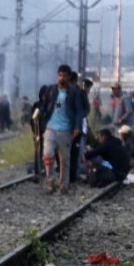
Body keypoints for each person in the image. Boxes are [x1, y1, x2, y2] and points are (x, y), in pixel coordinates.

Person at [40, 65, 84, 194]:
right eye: (60, 75)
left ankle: (64, 184)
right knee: (47, 155)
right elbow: (45, 105)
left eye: (64, 75)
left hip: (66, 130)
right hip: (50, 128)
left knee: (64, 159)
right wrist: (40, 114)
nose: (61, 78)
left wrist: (77, 127)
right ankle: (50, 182)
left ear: (69, 77)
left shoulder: (74, 92)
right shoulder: (51, 89)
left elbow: (79, 111)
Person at [67, 72, 91, 185]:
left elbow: (85, 109)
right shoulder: (64, 92)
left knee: (75, 152)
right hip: (68, 127)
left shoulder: (80, 93)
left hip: (76, 128)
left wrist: (78, 117)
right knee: (71, 153)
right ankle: (69, 176)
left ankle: (73, 176)